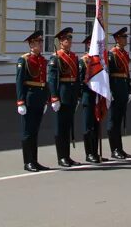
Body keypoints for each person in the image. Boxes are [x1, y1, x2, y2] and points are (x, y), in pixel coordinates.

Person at [15, 30, 50, 172]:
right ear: (31, 44)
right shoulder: (24, 60)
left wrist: (46, 99)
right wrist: (20, 102)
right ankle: (27, 162)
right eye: (38, 42)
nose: (41, 44)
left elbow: (44, 81)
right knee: (27, 132)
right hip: (29, 98)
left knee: (35, 131)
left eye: (41, 42)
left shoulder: (41, 59)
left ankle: (35, 161)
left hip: (39, 99)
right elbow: (19, 82)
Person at [47, 26, 82, 168]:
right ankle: (61, 157)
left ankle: (67, 156)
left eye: (70, 38)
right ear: (61, 41)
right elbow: (52, 79)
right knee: (60, 128)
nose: (69, 40)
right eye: (67, 38)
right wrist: (54, 97)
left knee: (68, 127)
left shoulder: (73, 57)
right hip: (62, 94)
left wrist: (78, 94)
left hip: (72, 95)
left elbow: (77, 78)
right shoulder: (56, 57)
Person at [106, 26, 131, 160]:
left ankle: (120, 148)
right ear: (117, 39)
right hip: (115, 88)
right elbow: (108, 74)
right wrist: (109, 90)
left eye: (126, 37)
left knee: (120, 120)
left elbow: (127, 74)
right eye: (123, 37)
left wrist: (129, 90)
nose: (126, 39)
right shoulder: (112, 54)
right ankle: (114, 149)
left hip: (123, 88)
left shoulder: (124, 54)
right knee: (114, 120)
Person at [78, 34, 105, 164]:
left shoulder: (99, 61)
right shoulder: (83, 61)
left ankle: (96, 152)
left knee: (96, 124)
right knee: (88, 126)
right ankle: (89, 153)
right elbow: (81, 80)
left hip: (97, 97)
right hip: (88, 97)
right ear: (88, 45)